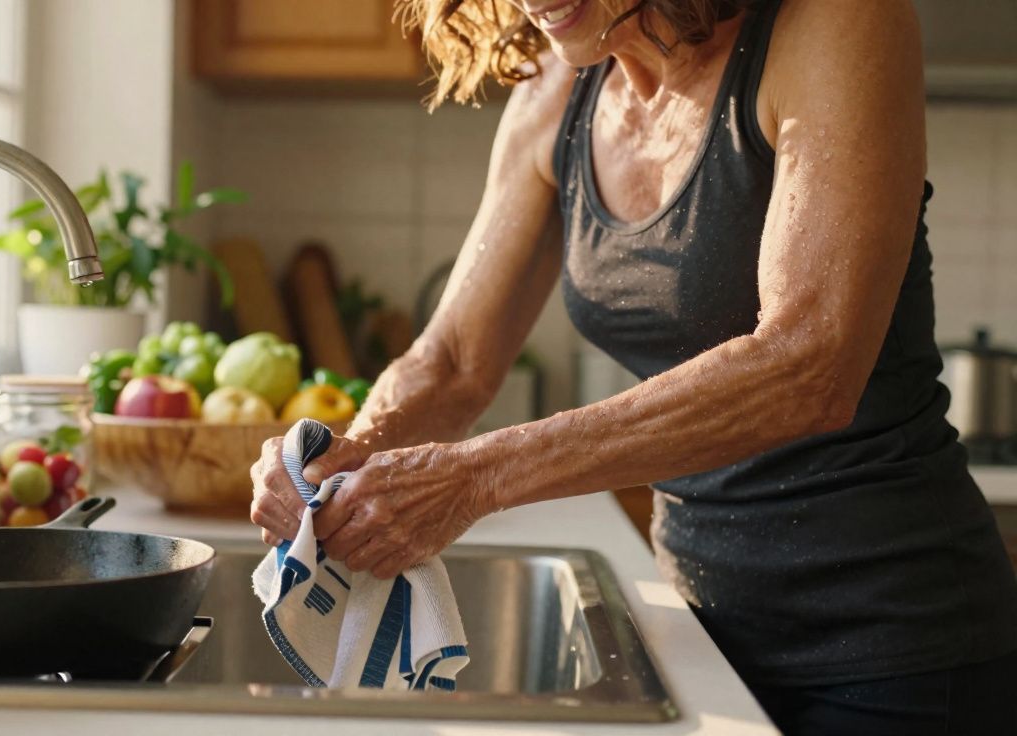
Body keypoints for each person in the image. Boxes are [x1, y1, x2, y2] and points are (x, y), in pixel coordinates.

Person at [249, 1, 1017, 732]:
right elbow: (450, 364)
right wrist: (338, 460)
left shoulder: (831, 23)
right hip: (697, 636)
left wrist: (477, 475)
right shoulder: (559, 92)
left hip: (901, 654)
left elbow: (808, 364)